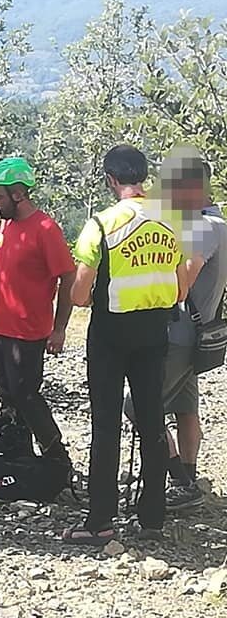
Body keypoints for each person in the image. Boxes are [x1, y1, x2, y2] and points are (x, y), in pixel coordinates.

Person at [65, 144, 188, 545]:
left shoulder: (101, 224)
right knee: (152, 422)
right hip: (155, 332)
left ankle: (100, 519)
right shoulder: (171, 221)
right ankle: (153, 516)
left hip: (110, 335)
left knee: (106, 425)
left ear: (110, 180)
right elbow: (181, 285)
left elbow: (80, 295)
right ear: (144, 176)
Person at [123, 152, 227, 511]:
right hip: (201, 334)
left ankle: (181, 483)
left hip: (179, 335)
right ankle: (188, 474)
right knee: (185, 408)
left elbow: (182, 284)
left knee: (139, 407)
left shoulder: (203, 230)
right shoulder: (218, 224)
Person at [0, 157, 75, 466]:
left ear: (18, 195)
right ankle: (17, 454)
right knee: (7, 398)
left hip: (28, 333)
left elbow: (68, 276)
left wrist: (60, 327)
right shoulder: (6, 223)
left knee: (28, 396)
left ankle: (55, 456)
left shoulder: (46, 229)